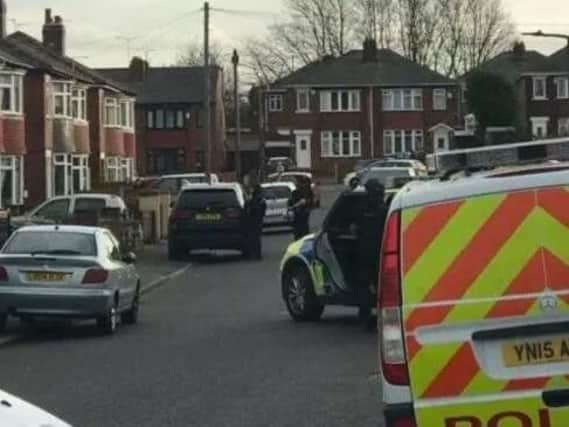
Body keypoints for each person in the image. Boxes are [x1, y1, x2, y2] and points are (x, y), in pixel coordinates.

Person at [354, 179, 388, 324]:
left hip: (368, 253)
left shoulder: (364, 210)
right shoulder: (384, 210)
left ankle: (366, 314)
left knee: (366, 284)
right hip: (379, 253)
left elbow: (356, 229)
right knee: (376, 283)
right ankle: (374, 313)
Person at [244, 185, 266, 260]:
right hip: (258, 220)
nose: (251, 190)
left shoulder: (254, 198)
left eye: (252, 188)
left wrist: (248, 202)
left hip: (253, 221)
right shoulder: (260, 198)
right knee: (257, 238)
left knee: (253, 238)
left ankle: (254, 254)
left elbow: (250, 209)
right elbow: (263, 210)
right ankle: (257, 254)